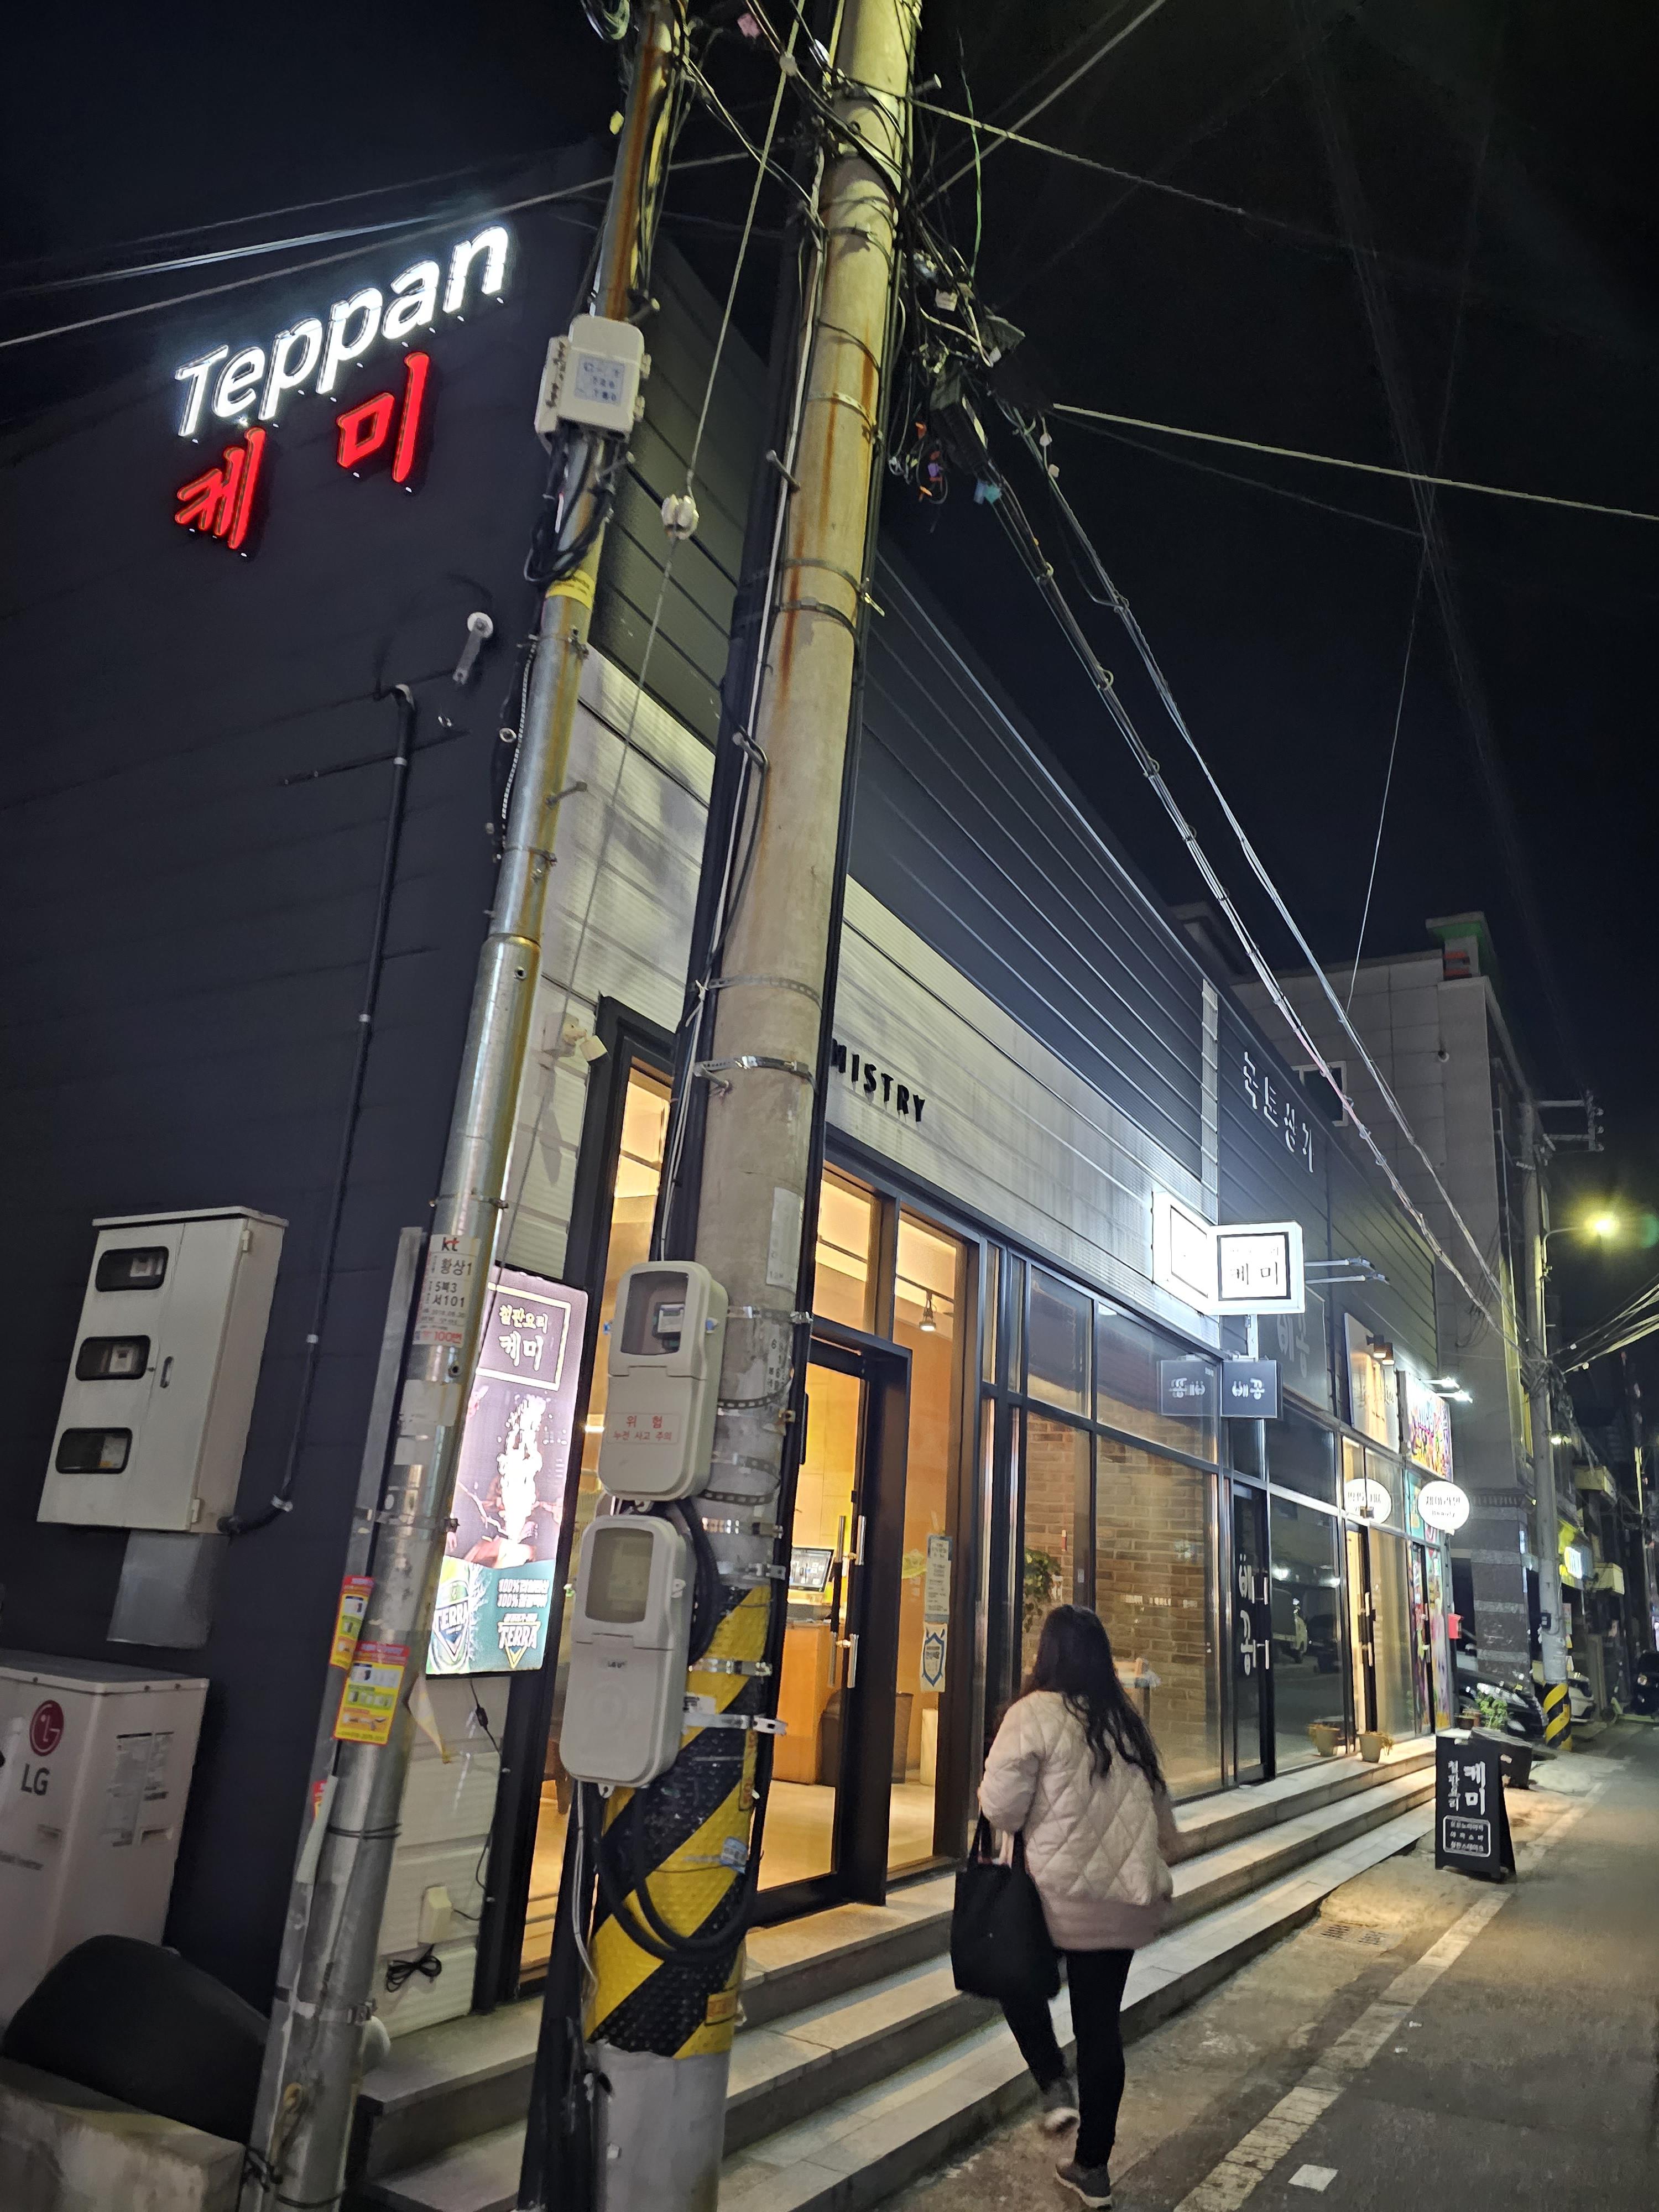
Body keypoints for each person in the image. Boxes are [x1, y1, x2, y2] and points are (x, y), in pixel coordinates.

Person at [979, 1605, 1178, 2209]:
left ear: (1048, 1654)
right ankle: (1093, 2166)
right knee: (1100, 2029)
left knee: (1013, 1982)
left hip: (1054, 1898)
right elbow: (1165, 1821)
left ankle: (1052, 2082)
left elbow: (1001, 1808)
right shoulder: (1126, 1721)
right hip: (1125, 1904)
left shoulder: (1032, 1714)